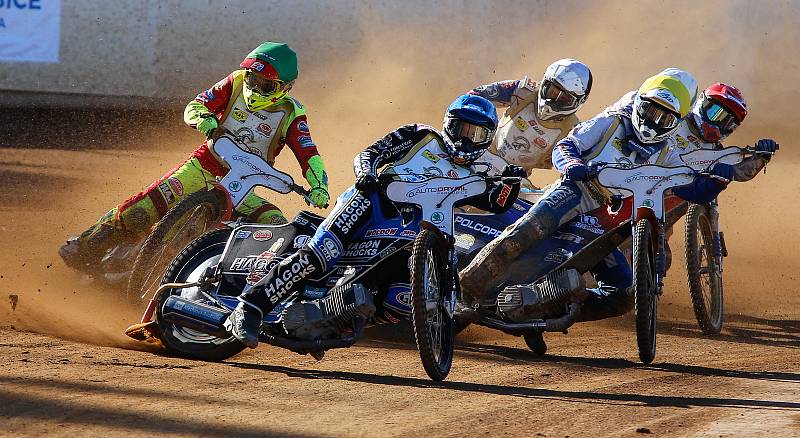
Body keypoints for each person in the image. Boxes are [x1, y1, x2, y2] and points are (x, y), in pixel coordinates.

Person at [224, 94, 525, 348]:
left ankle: (333, 317)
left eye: (476, 134)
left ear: (487, 139)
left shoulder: (478, 173)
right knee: (321, 254)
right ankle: (249, 307)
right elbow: (371, 153)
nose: (465, 139)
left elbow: (494, 203)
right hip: (373, 202)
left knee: (394, 291)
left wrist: (511, 184)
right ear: (448, 124)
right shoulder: (421, 136)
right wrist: (366, 174)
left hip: (412, 233)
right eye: (460, 129)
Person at [459, 72, 736, 321]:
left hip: (606, 221)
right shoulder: (613, 121)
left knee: (625, 294)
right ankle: (464, 288)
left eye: (664, 118)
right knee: (530, 229)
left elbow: (690, 191)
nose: (654, 120)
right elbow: (567, 145)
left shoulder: (670, 154)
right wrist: (572, 165)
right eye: (650, 110)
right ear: (639, 102)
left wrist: (720, 178)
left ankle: (541, 308)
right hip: (576, 191)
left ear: (675, 123)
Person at [59, 42, 330, 273]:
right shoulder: (235, 81)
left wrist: (319, 186)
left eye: (265, 85)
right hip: (202, 166)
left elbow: (309, 154)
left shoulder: (292, 114)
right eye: (252, 79)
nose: (255, 88)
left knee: (276, 228)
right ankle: (85, 246)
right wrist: (204, 120)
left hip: (243, 186)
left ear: (286, 87)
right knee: (142, 210)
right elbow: (196, 105)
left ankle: (233, 287)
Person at [467, 59, 592, 179]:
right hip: (478, 155)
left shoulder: (573, 130)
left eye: (564, 99)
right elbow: (473, 97)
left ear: (578, 102)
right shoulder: (524, 90)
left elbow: (577, 168)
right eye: (552, 92)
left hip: (516, 179)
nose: (553, 101)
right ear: (545, 83)